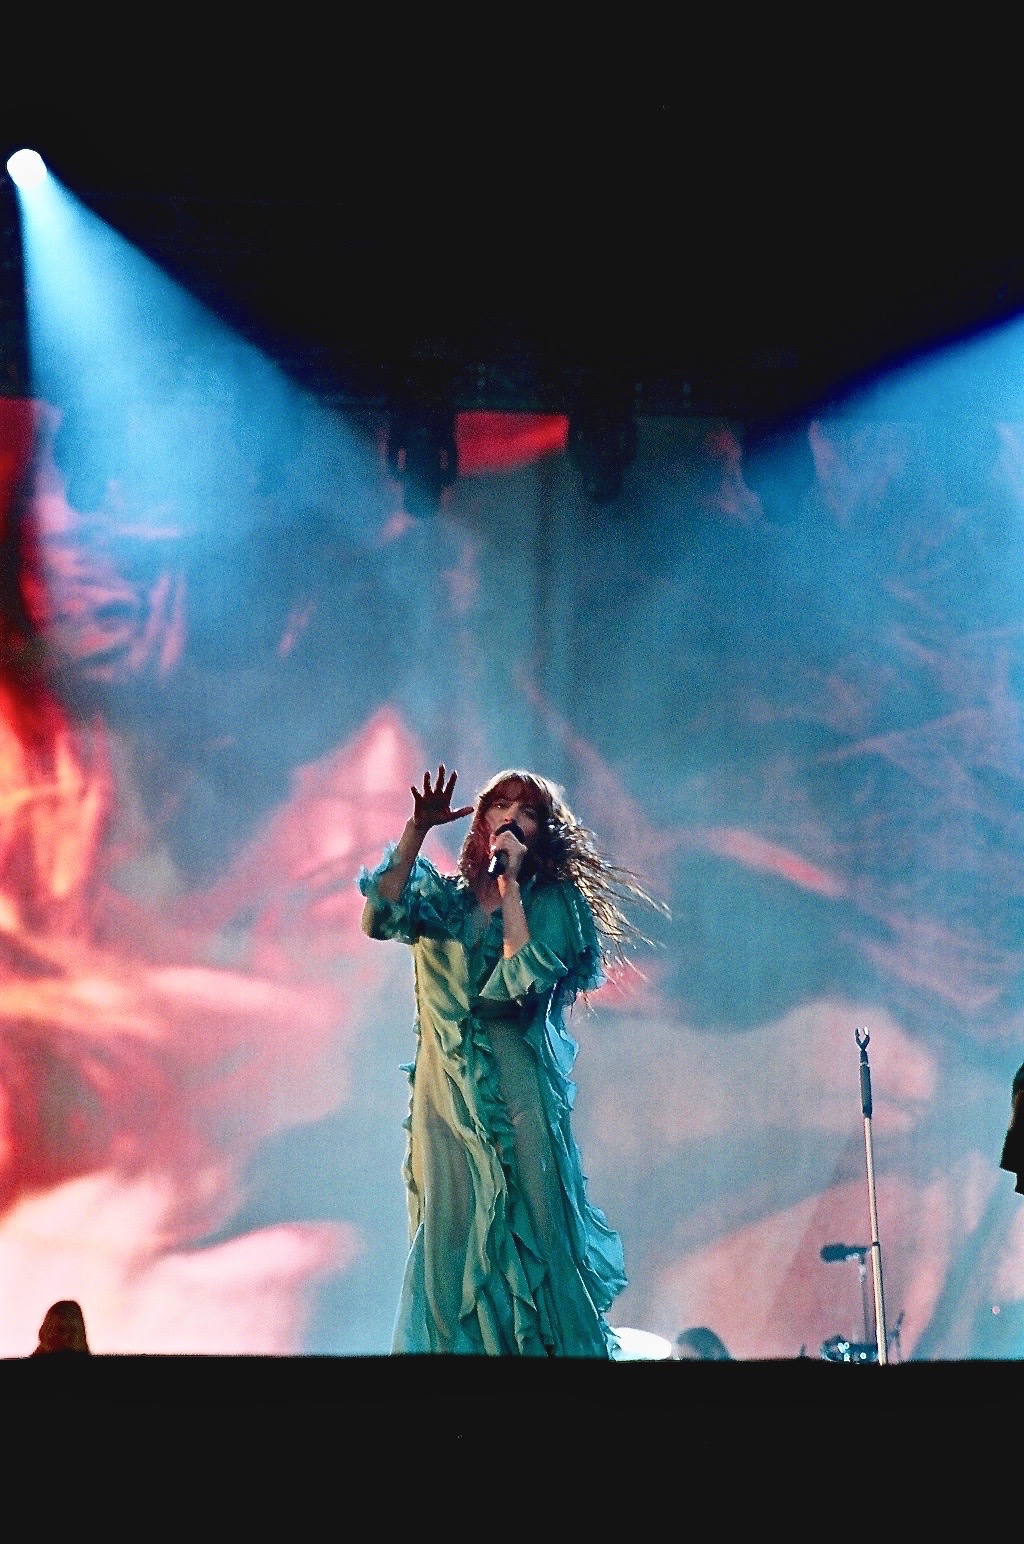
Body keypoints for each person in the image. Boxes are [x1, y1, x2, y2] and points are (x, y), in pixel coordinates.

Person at [359, 764, 662, 1356]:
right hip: (444, 1100)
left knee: (532, 1235)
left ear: (542, 831)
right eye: (504, 805)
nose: (514, 818)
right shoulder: (440, 901)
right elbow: (378, 918)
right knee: (447, 1241)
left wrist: (513, 886)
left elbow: (517, 984)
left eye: (529, 812)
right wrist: (416, 831)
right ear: (481, 821)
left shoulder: (556, 907)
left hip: (515, 1092)